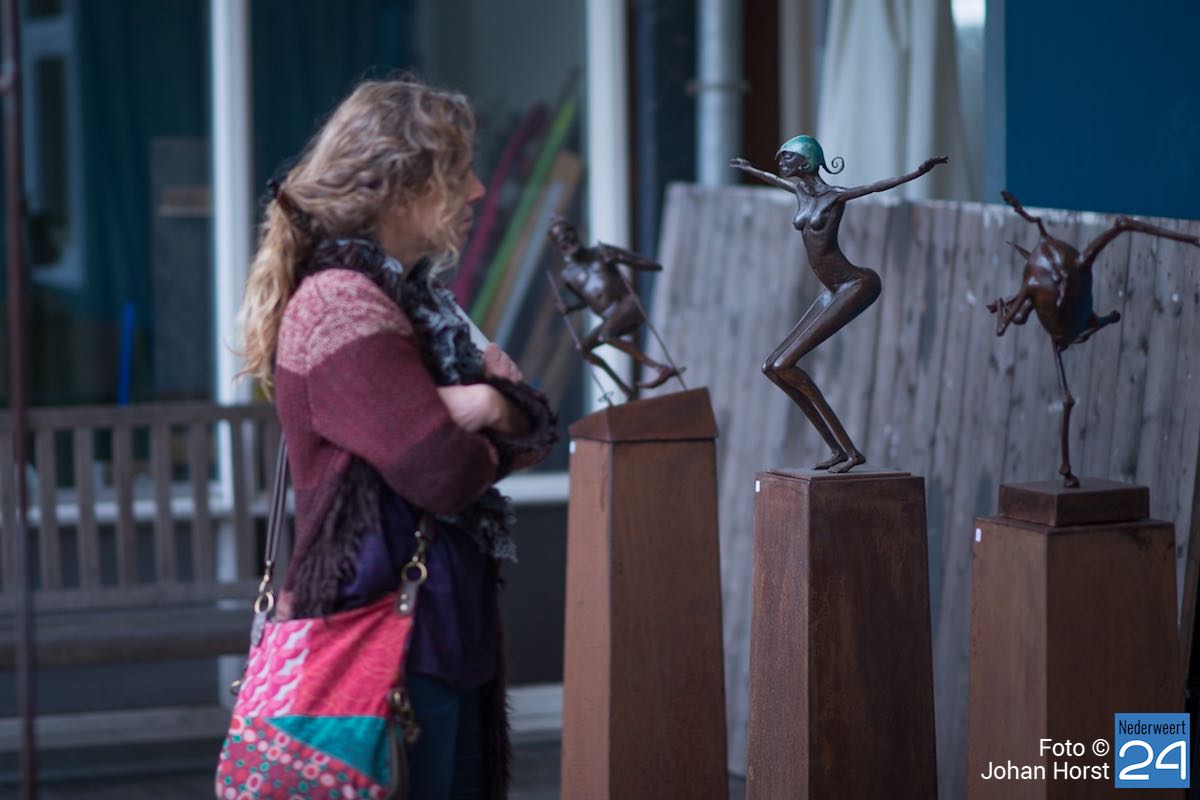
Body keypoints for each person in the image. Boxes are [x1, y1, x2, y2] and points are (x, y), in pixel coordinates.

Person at [238, 77, 557, 798]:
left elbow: (535, 423)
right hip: (381, 634)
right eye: (458, 173)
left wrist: (486, 404)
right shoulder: (341, 306)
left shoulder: (416, 301)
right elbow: (441, 470)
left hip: (439, 628)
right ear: (403, 189)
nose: (477, 191)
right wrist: (493, 410)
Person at [730, 135, 945, 472]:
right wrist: (749, 169)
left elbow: (876, 186)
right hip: (831, 290)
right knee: (771, 367)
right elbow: (773, 179)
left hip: (855, 285)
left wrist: (918, 173)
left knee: (785, 364)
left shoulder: (835, 196)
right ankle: (836, 449)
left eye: (787, 158)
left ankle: (851, 452)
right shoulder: (800, 193)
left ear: (806, 161)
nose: (781, 164)